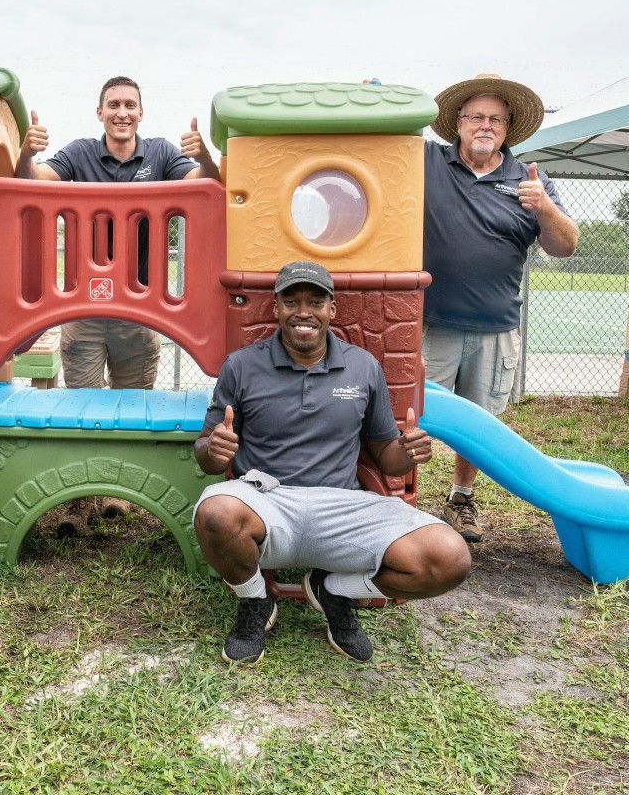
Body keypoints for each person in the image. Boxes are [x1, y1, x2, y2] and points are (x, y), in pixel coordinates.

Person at [191, 261, 471, 665]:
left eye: (315, 301)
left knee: (450, 559)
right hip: (267, 499)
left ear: (331, 310)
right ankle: (256, 601)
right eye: (292, 301)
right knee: (215, 511)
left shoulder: (362, 366)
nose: (303, 312)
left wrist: (406, 453)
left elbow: (385, 457)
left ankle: (336, 589)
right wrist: (212, 450)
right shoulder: (242, 365)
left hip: (344, 506)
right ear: (277, 308)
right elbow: (206, 456)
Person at [18, 75, 221, 532]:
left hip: (140, 310)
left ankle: (117, 494)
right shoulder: (80, 153)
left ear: (141, 113)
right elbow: (34, 178)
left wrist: (204, 154)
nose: (122, 112)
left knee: (132, 406)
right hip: (84, 310)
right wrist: (27, 150)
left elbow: (205, 183)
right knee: (83, 408)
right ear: (100, 113)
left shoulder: (163, 153)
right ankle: (79, 501)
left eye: (130, 104)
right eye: (113, 104)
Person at [422, 74, 579, 543]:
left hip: (495, 327)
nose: (485, 125)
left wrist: (544, 209)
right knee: (405, 415)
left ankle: (460, 501)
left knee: (478, 426)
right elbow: (381, 143)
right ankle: (398, 500)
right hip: (428, 326)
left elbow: (565, 246)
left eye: (496, 119)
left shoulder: (531, 180)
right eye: (476, 117)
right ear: (457, 123)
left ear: (508, 129)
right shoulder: (425, 160)